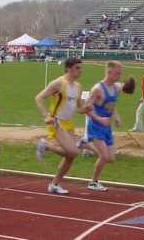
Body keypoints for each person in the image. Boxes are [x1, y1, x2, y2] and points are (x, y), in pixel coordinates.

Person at [34, 58, 89, 194]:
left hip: (68, 123)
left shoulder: (78, 86)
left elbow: (79, 108)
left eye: (81, 68)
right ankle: (46, 146)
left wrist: (87, 109)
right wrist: (46, 115)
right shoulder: (59, 83)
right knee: (74, 151)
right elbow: (39, 98)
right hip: (56, 121)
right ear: (69, 68)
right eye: (77, 68)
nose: (80, 70)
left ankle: (54, 184)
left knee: (70, 156)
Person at [83, 61, 134, 191]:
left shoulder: (116, 88)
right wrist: (98, 118)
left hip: (107, 126)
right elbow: (87, 108)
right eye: (117, 73)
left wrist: (116, 117)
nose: (119, 76)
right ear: (109, 72)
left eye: (120, 73)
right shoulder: (97, 89)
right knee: (104, 156)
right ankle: (93, 182)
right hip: (95, 125)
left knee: (110, 158)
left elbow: (112, 104)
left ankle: (85, 144)